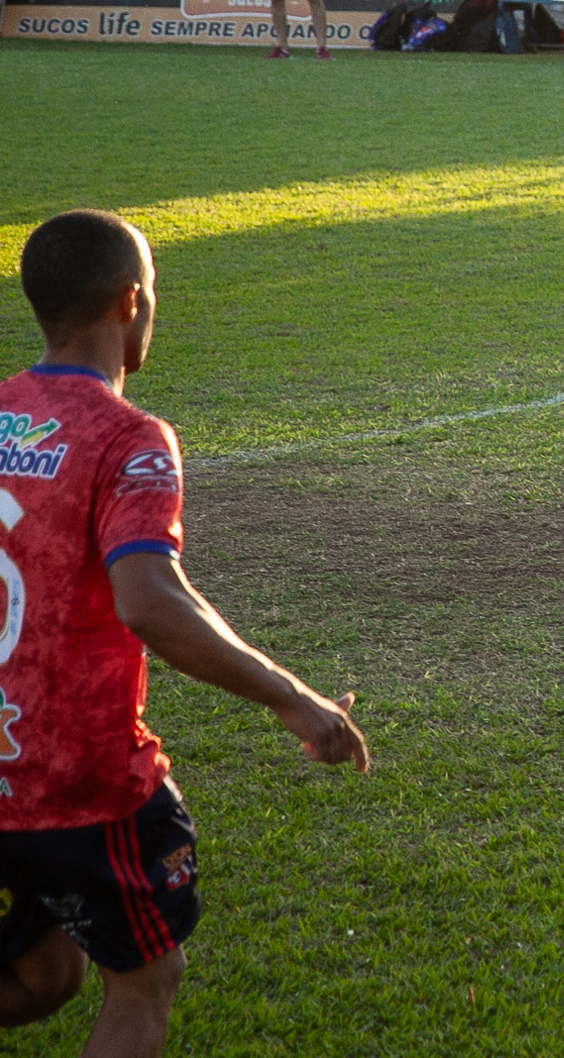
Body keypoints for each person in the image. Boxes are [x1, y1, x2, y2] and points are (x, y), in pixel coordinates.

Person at [0, 210, 369, 1054]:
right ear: (131, 302)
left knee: (42, 974)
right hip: (79, 781)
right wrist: (297, 700)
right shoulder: (129, 439)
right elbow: (150, 600)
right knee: (145, 978)